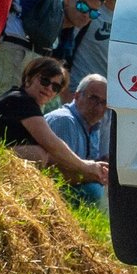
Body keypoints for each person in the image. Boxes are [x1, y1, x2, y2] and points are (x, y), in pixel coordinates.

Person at [0, 57, 107, 186]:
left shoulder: (27, 102)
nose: (49, 88)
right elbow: (52, 144)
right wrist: (86, 166)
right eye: (45, 80)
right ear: (29, 78)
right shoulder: (21, 100)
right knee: (38, 155)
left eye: (55, 87)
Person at [65, 0, 133, 90]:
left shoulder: (130, 21)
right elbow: (63, 50)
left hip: (110, 101)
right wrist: (66, 93)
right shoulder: (86, 10)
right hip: (79, 95)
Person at [43, 71, 109, 203]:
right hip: (51, 193)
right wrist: (96, 176)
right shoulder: (65, 121)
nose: (99, 106)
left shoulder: (93, 125)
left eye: (104, 102)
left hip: (73, 184)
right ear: (77, 96)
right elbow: (57, 173)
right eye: (94, 98)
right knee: (94, 191)